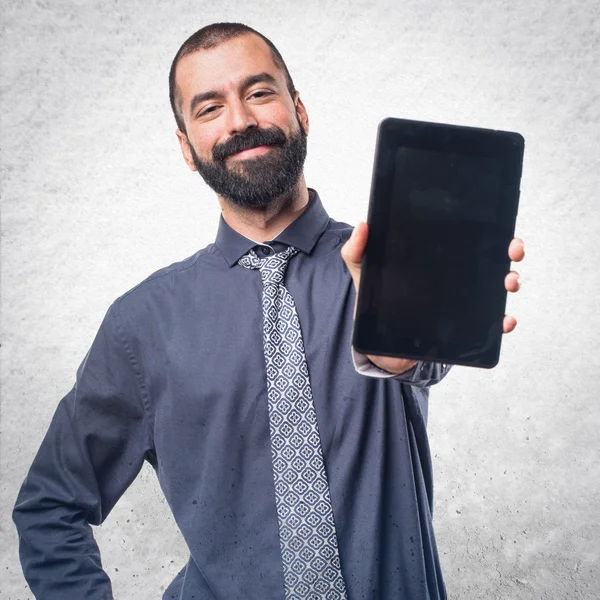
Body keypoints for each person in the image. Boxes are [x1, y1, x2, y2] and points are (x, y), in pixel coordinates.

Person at [13, 22, 524, 600]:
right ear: (186, 147)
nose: (240, 120)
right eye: (209, 108)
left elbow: (421, 363)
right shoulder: (143, 323)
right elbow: (51, 506)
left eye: (259, 93)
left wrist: (406, 347)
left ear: (299, 110)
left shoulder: (384, 264)